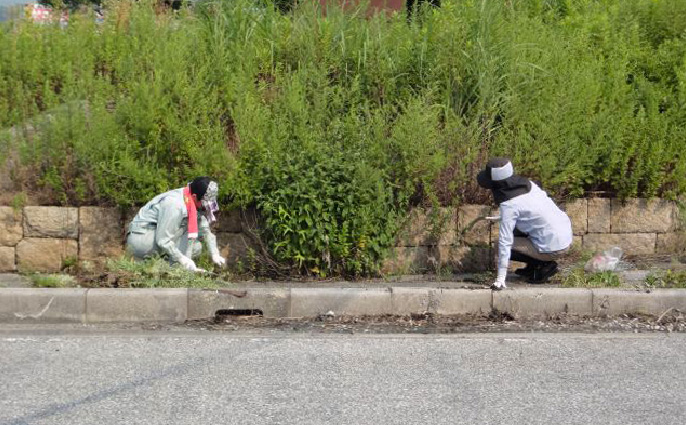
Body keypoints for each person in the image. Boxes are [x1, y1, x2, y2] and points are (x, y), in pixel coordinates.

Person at [477, 158, 572, 289]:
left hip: (554, 249)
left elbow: (505, 241)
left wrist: (500, 279)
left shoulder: (509, 205)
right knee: (518, 228)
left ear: (496, 185)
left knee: (499, 244)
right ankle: (534, 266)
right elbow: (533, 211)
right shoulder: (529, 185)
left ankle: (542, 266)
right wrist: (502, 217)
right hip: (564, 238)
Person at [126, 177, 226, 272]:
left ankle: (163, 267)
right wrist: (182, 259)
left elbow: (205, 231)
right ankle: (165, 269)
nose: (205, 207)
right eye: (204, 203)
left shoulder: (189, 197)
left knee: (196, 247)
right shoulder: (175, 205)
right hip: (142, 239)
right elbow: (163, 240)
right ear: (195, 196)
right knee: (187, 236)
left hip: (151, 236)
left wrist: (215, 254)